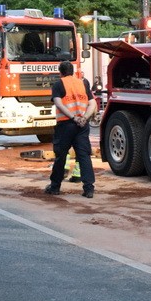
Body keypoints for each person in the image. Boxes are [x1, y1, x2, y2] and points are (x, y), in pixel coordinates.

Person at [45, 61, 97, 198]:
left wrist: (73, 117)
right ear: (73, 71)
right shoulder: (83, 83)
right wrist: (84, 118)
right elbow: (92, 103)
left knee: (61, 156)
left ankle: (55, 187)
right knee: (84, 156)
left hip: (65, 125)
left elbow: (58, 103)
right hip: (82, 126)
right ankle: (89, 188)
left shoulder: (58, 84)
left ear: (60, 72)